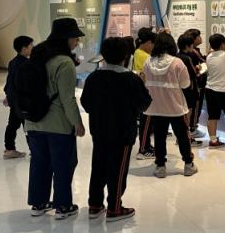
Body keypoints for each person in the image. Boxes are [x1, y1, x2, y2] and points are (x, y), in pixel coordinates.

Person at [81, 37, 152, 222]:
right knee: (118, 169)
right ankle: (114, 207)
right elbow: (144, 103)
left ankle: (95, 204)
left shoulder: (94, 77)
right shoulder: (131, 79)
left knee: (98, 166)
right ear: (125, 55)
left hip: (99, 129)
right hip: (123, 131)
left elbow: (86, 103)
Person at [24, 18, 85, 219]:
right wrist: (77, 122)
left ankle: (39, 203)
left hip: (33, 121)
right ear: (65, 38)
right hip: (58, 124)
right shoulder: (64, 62)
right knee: (63, 164)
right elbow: (67, 98)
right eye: (74, 38)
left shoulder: (38, 55)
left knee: (39, 164)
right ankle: (63, 206)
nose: (77, 42)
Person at [142, 32, 198, 178]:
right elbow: (185, 84)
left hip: (156, 107)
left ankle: (160, 166)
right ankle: (188, 164)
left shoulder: (148, 62)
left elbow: (145, 80)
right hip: (176, 107)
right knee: (183, 136)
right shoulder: (177, 63)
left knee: (159, 137)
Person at [2, 35, 33, 159]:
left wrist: (8, 95)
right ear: (24, 48)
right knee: (28, 126)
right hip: (23, 101)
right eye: (31, 45)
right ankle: (34, 150)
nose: (33, 47)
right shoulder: (27, 64)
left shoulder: (13, 62)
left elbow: (10, 81)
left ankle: (9, 149)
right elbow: (24, 85)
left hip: (14, 100)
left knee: (12, 125)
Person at [134, 27, 156, 160]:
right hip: (146, 92)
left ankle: (146, 145)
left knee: (146, 121)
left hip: (143, 91)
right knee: (146, 121)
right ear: (148, 43)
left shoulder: (138, 52)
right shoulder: (146, 57)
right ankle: (143, 149)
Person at [177, 33, 201, 146]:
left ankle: (182, 137)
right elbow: (194, 74)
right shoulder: (187, 58)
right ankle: (187, 138)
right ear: (187, 45)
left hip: (180, 89)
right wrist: (198, 69)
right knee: (188, 114)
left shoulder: (176, 56)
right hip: (190, 89)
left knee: (182, 115)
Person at [185, 29, 208, 140]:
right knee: (195, 107)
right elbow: (203, 62)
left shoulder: (191, 51)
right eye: (199, 36)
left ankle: (192, 128)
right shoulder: (193, 52)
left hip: (194, 84)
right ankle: (192, 129)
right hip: (197, 84)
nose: (200, 38)